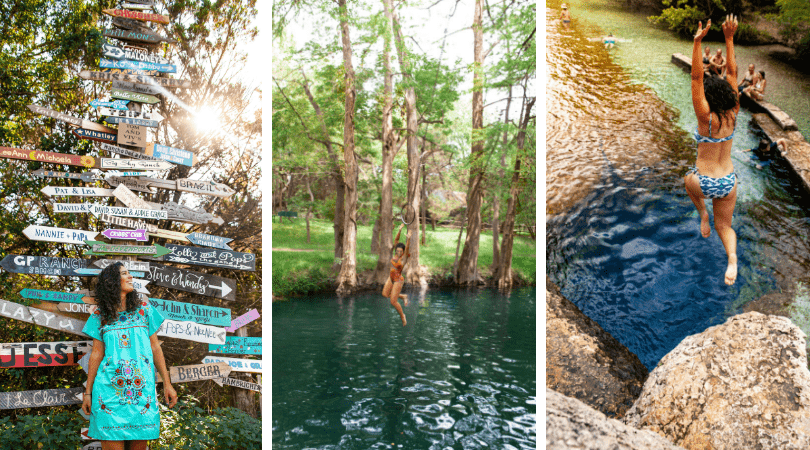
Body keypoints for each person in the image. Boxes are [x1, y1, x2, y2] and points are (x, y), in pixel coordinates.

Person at [82, 263, 177, 450]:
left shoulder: (144, 310)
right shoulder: (100, 315)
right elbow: (96, 354)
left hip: (141, 392)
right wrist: (88, 392)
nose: (130, 277)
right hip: (109, 392)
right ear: (112, 282)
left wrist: (167, 383)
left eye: (129, 273)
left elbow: (155, 348)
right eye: (125, 274)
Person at [685, 15, 741, 286]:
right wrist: (729, 39)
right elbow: (732, 73)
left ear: (708, 97)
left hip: (704, 183)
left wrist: (697, 43)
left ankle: (702, 213)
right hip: (728, 182)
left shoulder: (705, 117)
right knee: (725, 226)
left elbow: (696, 77)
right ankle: (731, 258)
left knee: (687, 179)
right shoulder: (734, 111)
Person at [382, 223, 411, 326]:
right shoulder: (395, 254)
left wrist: (408, 239)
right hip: (391, 278)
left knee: (393, 302)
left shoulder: (403, 258)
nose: (398, 252)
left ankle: (403, 316)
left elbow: (407, 249)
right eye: (397, 250)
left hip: (398, 280)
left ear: (403, 252)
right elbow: (396, 241)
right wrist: (399, 230)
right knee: (385, 294)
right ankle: (402, 296)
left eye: (400, 251)